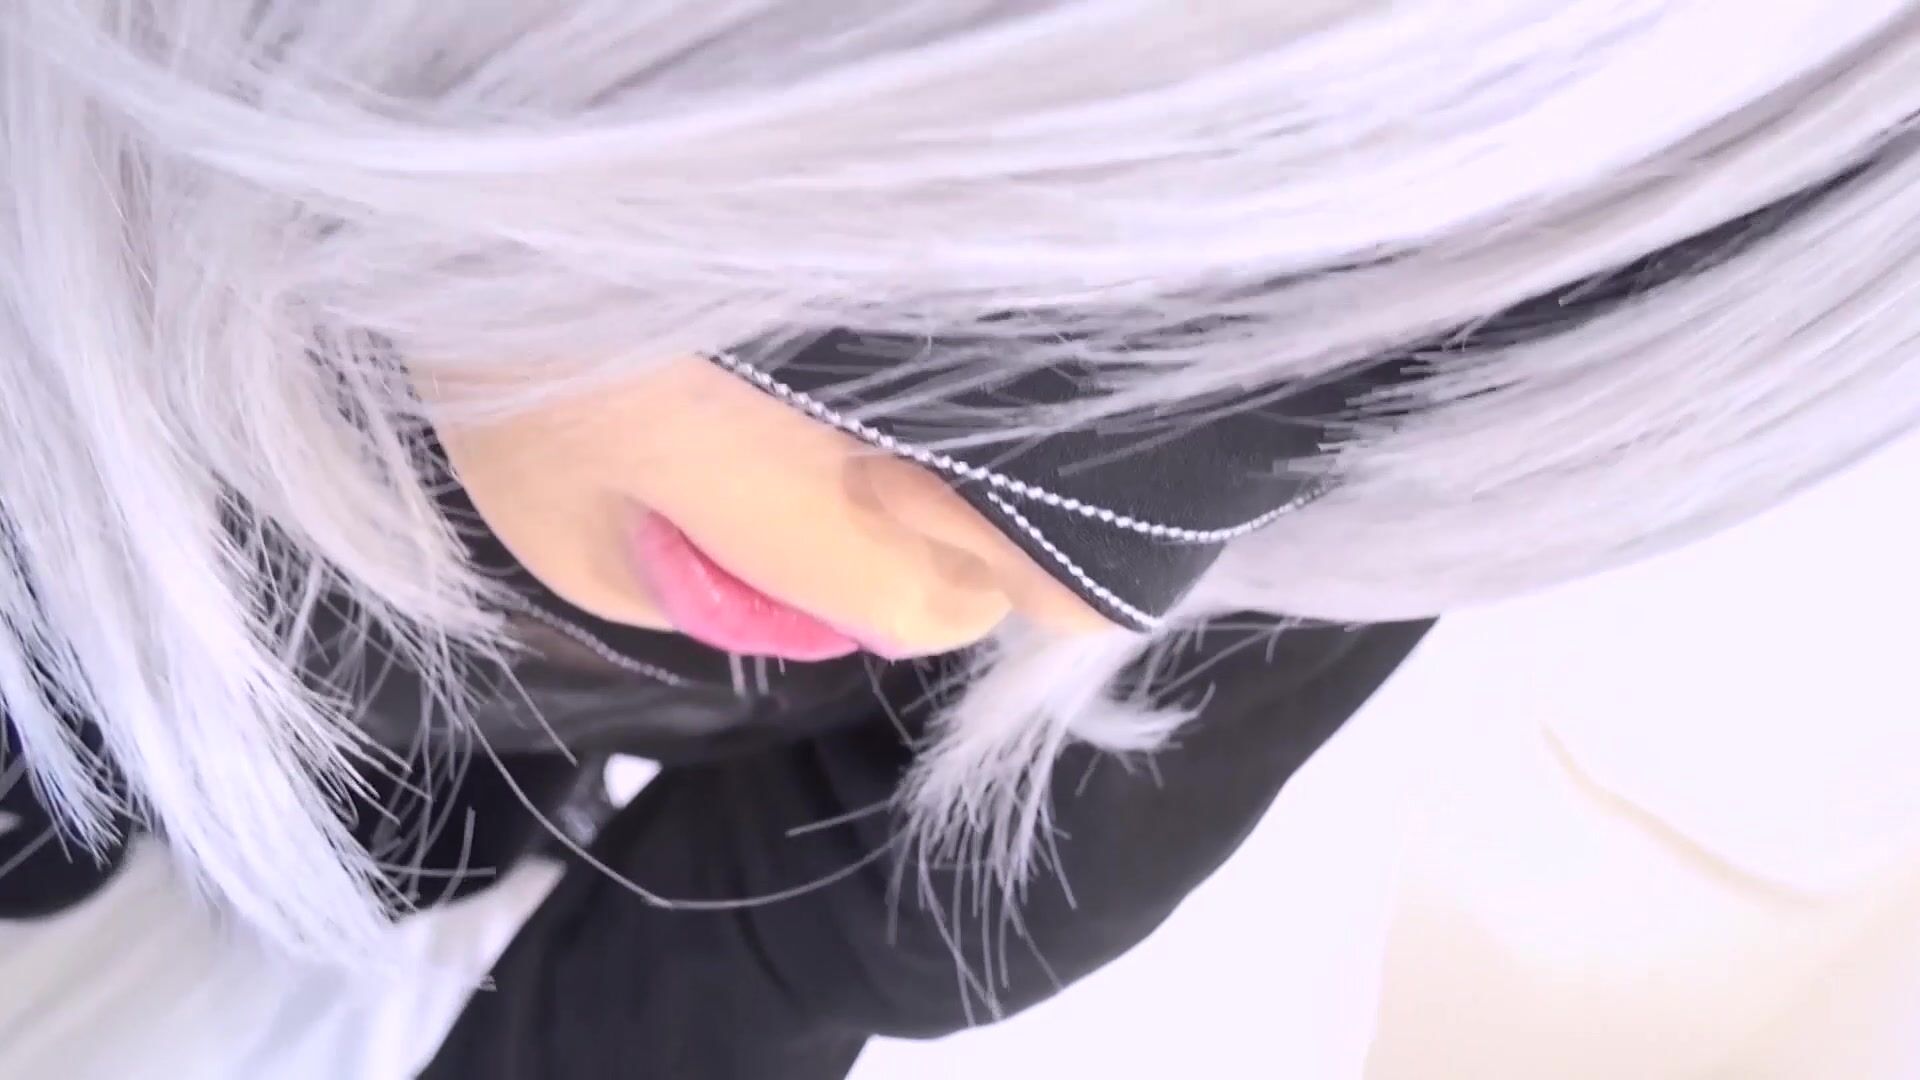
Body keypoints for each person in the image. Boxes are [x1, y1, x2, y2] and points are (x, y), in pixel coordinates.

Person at [0, 3, 1916, 1076]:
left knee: (384, 839)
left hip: (481, 723)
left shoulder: (1200, 580)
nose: (1038, 588)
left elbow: (829, 937)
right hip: (121, 451)